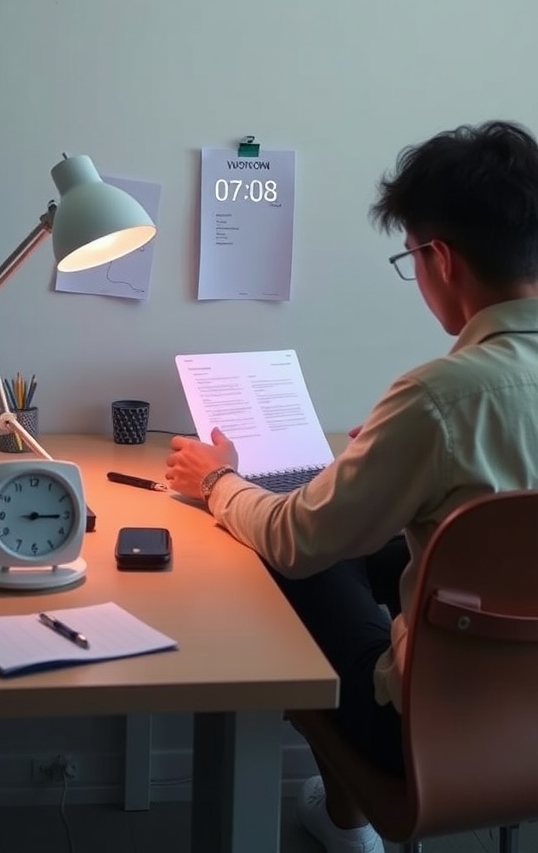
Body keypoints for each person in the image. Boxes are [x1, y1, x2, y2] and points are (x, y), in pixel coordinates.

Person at [165, 120, 538, 853]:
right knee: (382, 553)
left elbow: (297, 541)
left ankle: (347, 822)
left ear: (439, 258)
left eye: (410, 258)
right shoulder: (449, 403)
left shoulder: (441, 397)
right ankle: (342, 817)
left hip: (427, 738)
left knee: (298, 562)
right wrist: (388, 471)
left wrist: (218, 480)